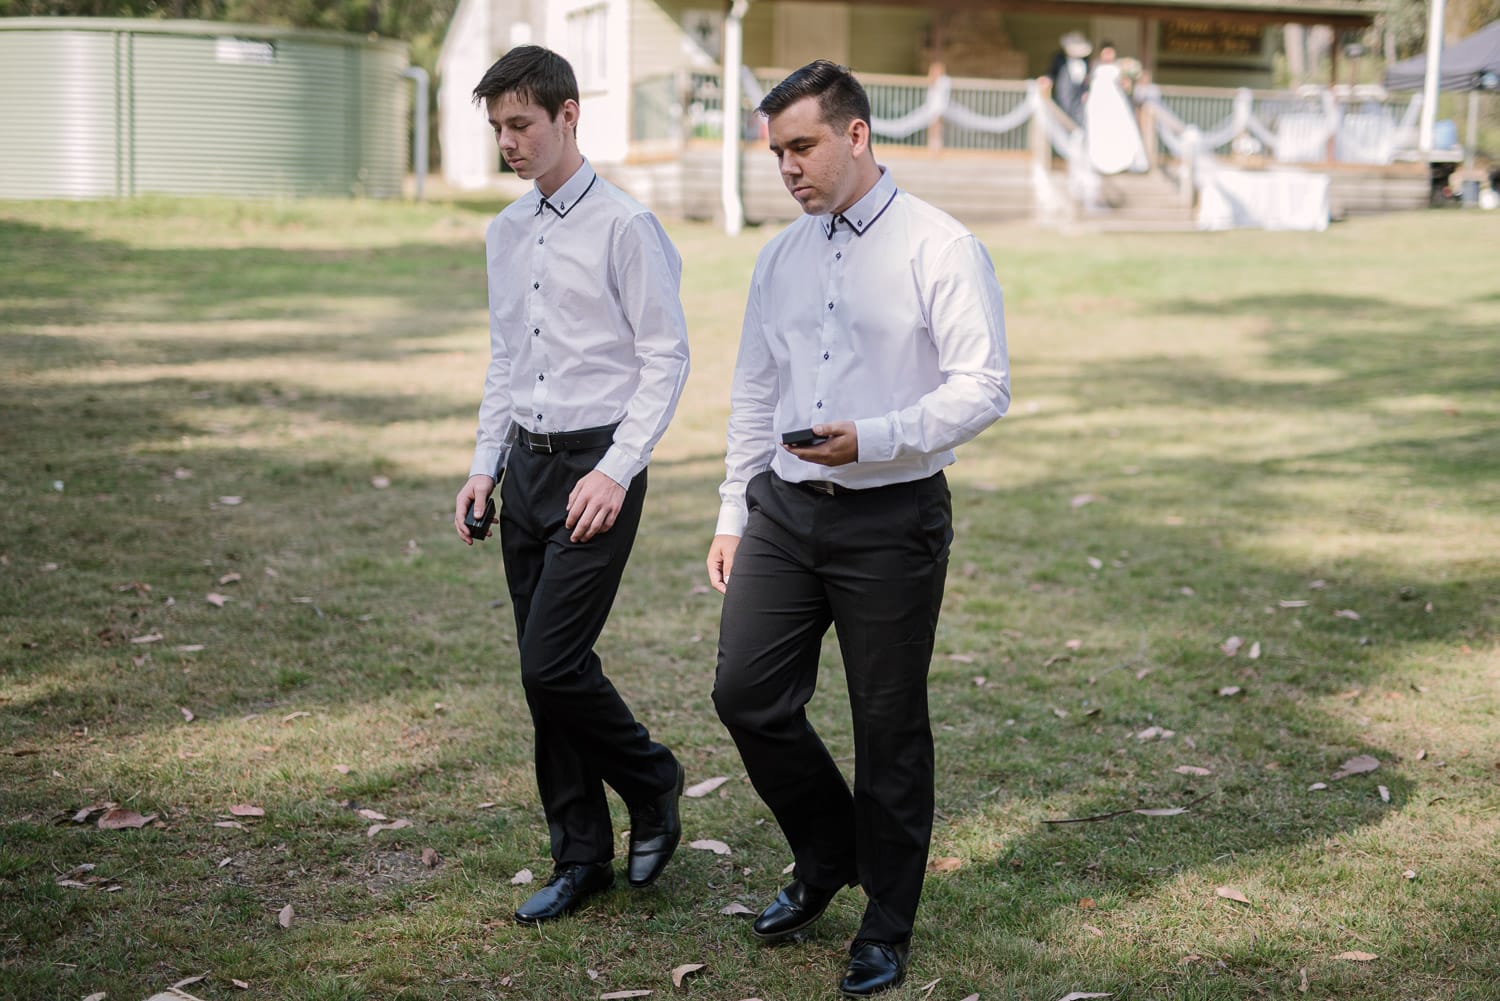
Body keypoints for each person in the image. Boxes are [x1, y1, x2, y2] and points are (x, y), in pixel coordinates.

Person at [705, 60, 1010, 997]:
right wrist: (730, 507)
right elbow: (756, 385)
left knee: (887, 726)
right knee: (745, 695)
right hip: (785, 511)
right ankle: (829, 851)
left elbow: (982, 385)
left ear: (856, 134)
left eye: (802, 147)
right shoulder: (779, 255)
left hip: (893, 518)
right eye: (777, 153)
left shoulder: (939, 245)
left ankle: (886, 920)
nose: (788, 168)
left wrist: (873, 439)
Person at [454, 44, 690, 926]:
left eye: (522, 124)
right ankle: (578, 853)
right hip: (526, 465)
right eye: (498, 129)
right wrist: (485, 464)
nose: (509, 142)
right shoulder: (504, 233)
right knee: (541, 674)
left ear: (567, 115)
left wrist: (617, 470)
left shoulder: (627, 227)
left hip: (599, 464)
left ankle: (652, 777)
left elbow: (667, 358)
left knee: (552, 659)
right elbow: (506, 358)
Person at [1084, 42, 1149, 175]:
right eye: (1105, 52)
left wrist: (1127, 83)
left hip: (1116, 103)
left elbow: (1127, 86)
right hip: (1099, 103)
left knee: (1119, 130)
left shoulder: (1119, 66)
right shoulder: (1094, 66)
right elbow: (1087, 83)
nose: (1108, 54)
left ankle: (1123, 161)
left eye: (1110, 51)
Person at [1046, 30, 1092, 127]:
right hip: (1064, 92)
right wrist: (1047, 79)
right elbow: (1052, 72)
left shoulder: (1085, 61)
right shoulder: (1059, 58)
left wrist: (1087, 90)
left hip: (1079, 93)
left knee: (1080, 116)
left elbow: (1087, 78)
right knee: (1063, 114)